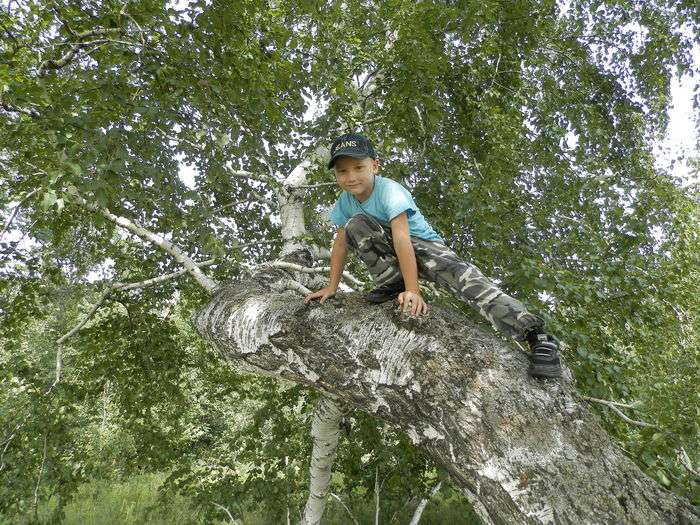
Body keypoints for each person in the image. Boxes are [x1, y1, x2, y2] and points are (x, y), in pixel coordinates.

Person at [303, 133, 561, 379]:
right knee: (355, 224)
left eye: (358, 167)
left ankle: (537, 337)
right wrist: (331, 287)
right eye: (342, 171)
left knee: (467, 281)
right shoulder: (345, 203)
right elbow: (340, 245)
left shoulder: (390, 191)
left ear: (375, 166)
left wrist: (414, 290)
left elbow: (403, 238)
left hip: (423, 247)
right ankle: (391, 282)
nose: (351, 177)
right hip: (395, 256)